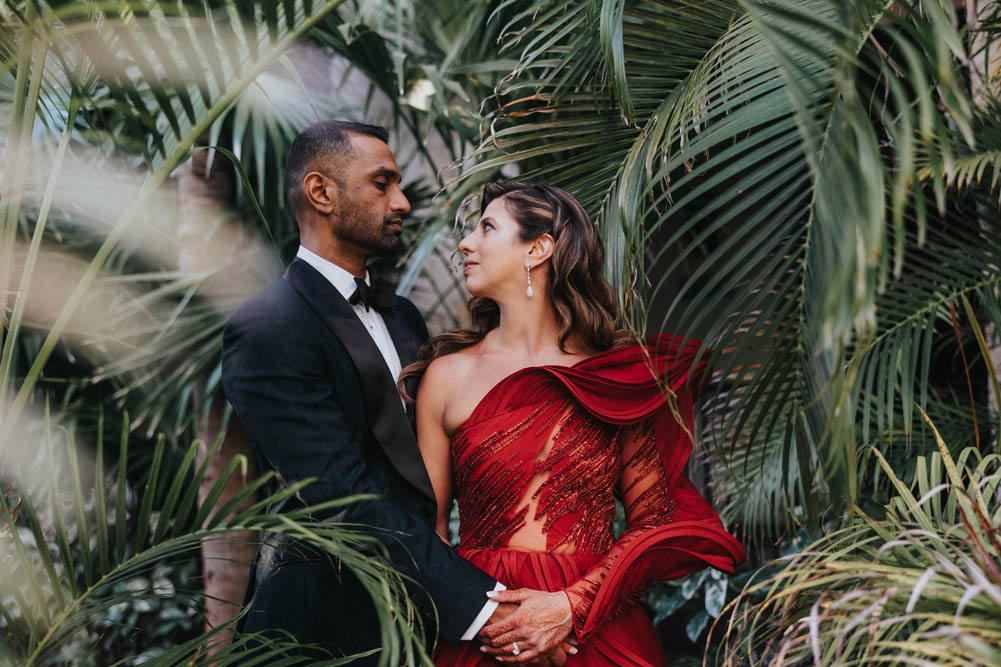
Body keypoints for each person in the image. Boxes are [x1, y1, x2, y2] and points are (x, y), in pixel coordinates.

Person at [221, 122, 569, 664]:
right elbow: (341, 497)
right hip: (320, 630)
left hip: (418, 624)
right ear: (322, 193)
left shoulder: (402, 316)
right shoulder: (268, 326)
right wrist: (488, 610)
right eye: (382, 183)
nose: (402, 201)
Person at [403, 182, 747, 666]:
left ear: (538, 249)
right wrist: (488, 618)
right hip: (483, 632)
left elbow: (655, 518)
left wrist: (572, 604)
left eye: (487, 227)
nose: (465, 244)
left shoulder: (614, 376)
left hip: (596, 631)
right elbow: (428, 534)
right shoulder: (446, 376)